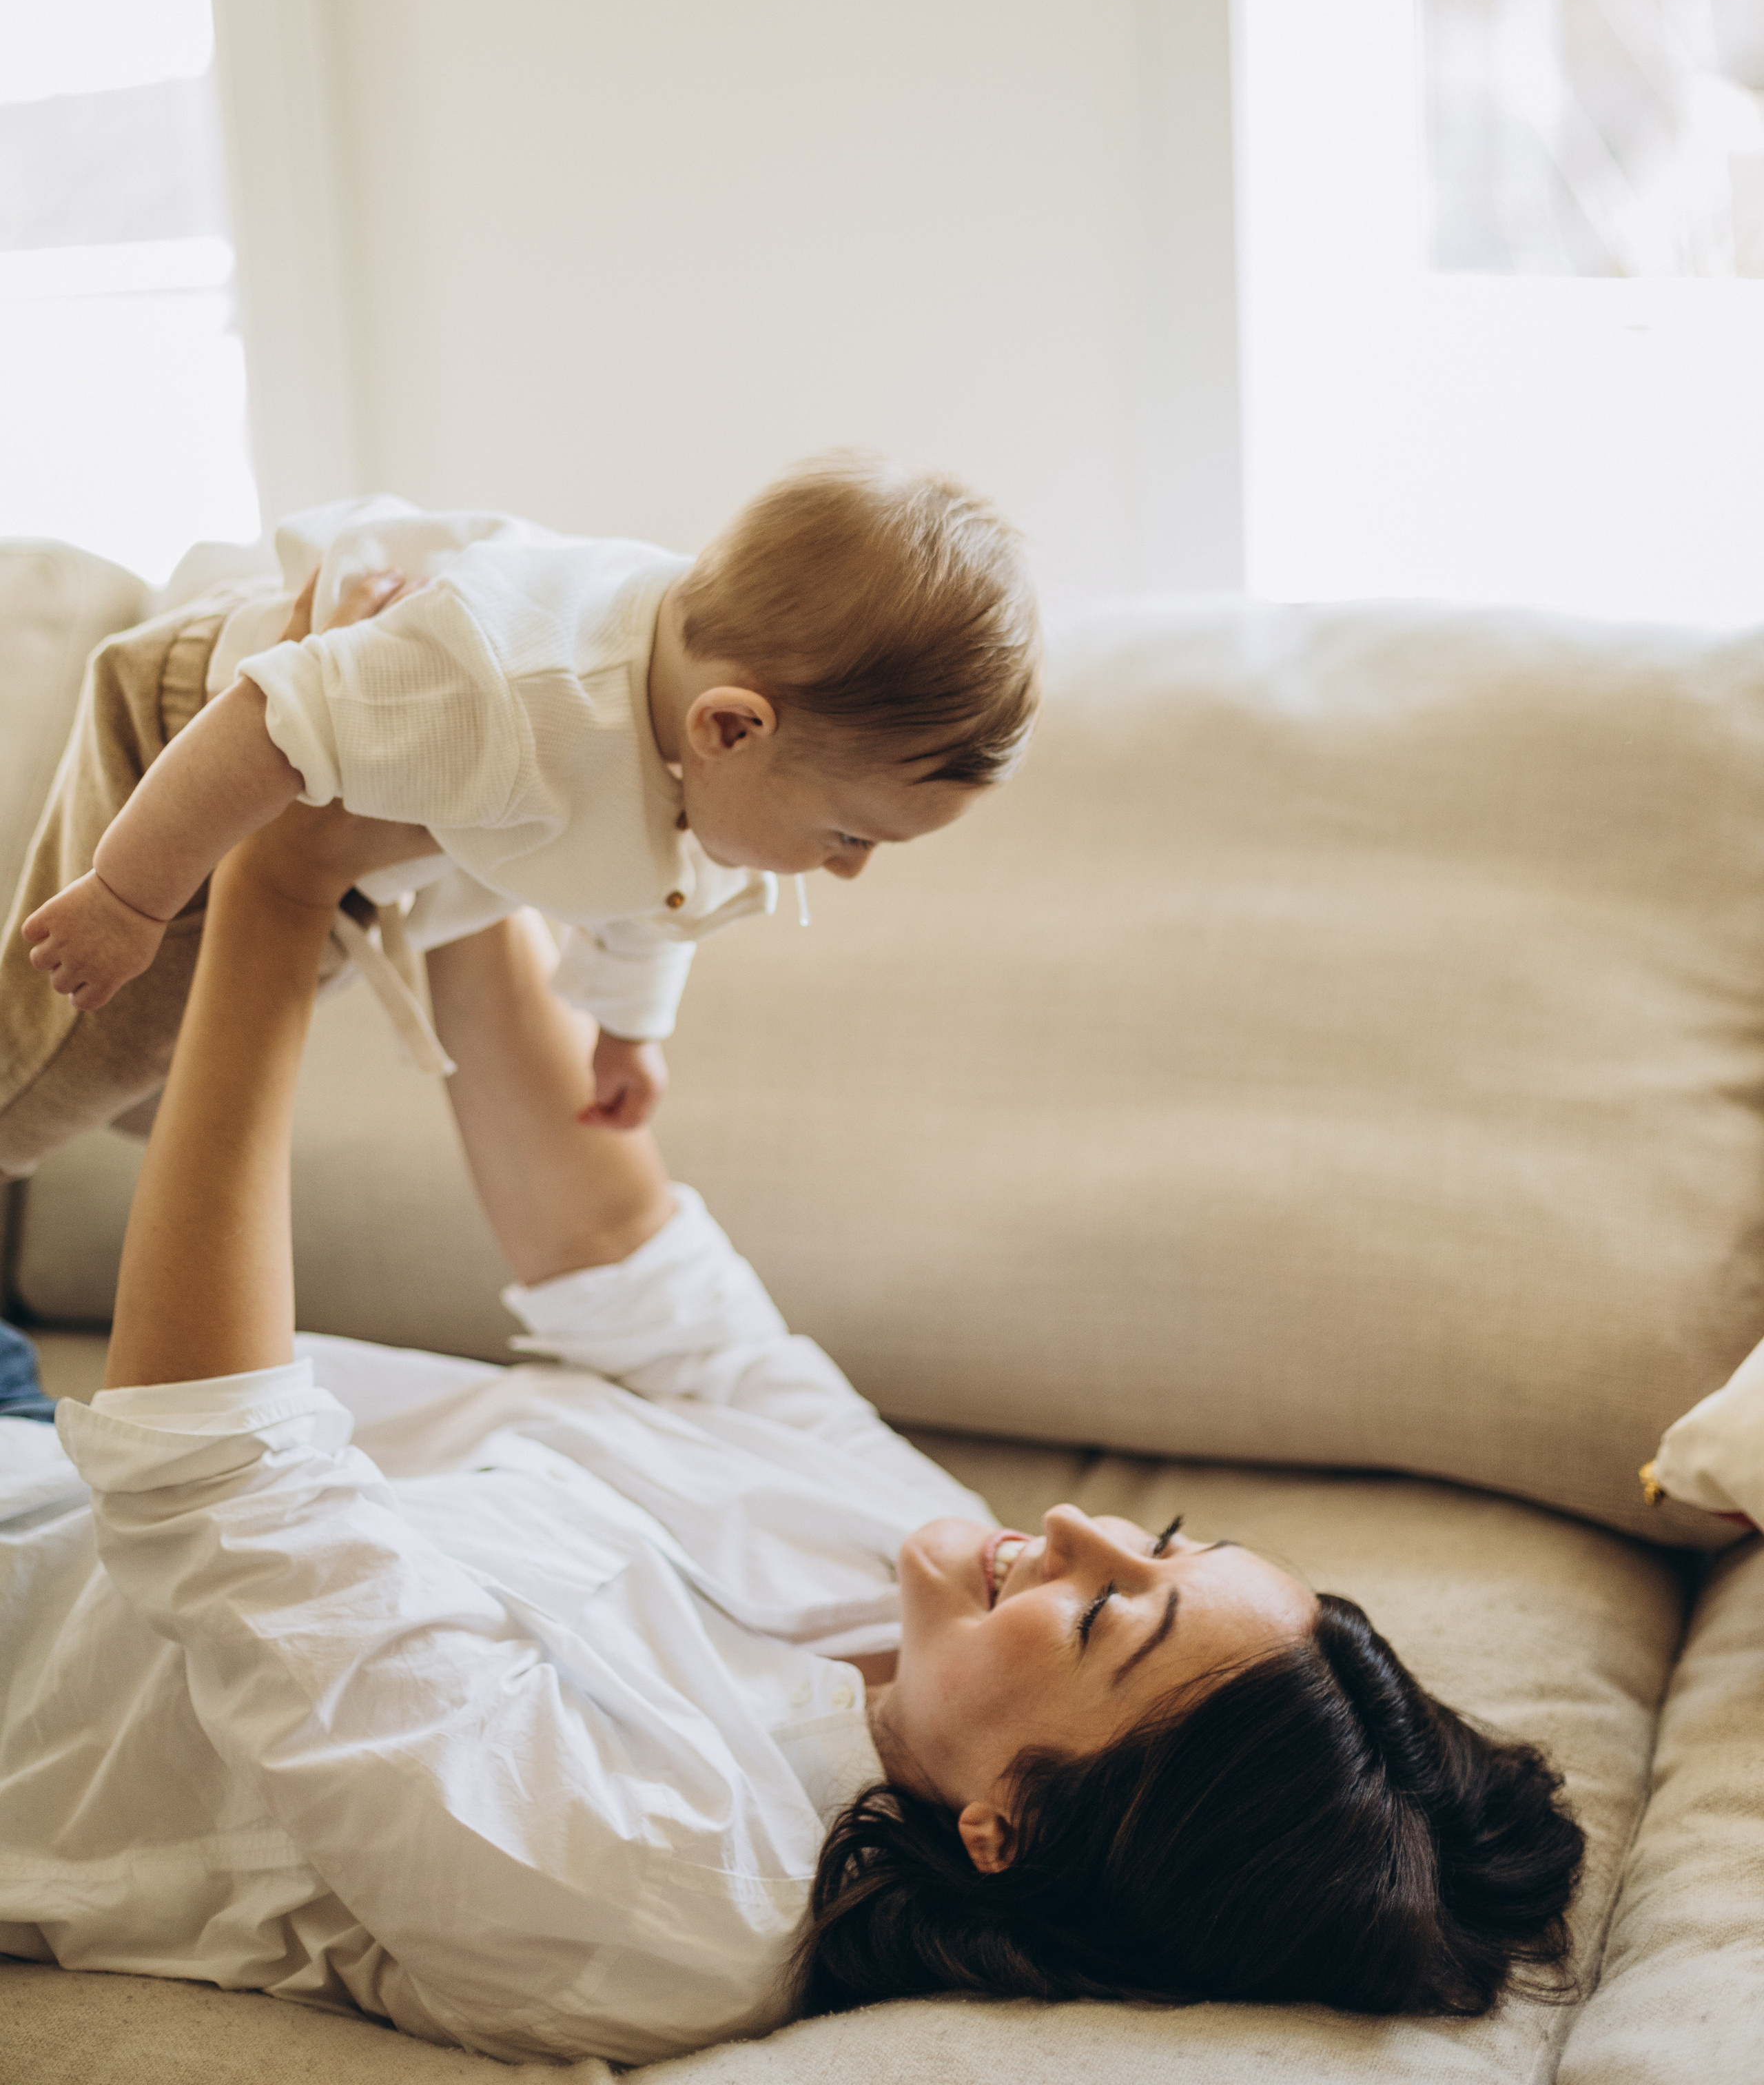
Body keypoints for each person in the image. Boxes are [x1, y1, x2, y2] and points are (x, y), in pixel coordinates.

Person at [0, 793, 1585, 2060]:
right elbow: (622, 1263)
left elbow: (212, 1473)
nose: (1082, 1532)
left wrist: (278, 902)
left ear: (1007, 1828)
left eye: (1108, 1612)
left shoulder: (667, 1896)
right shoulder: (916, 1567)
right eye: (1160, 1541)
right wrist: (467, 844)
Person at [2, 454, 1038, 1177]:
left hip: (350, 798)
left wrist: (628, 1032)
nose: (851, 871)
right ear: (730, 729)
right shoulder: (508, 686)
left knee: (150, 1072)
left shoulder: (695, 736)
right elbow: (267, 720)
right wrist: (129, 899)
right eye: (853, 837)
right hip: (198, 731)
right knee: (45, 1068)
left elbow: (660, 883)